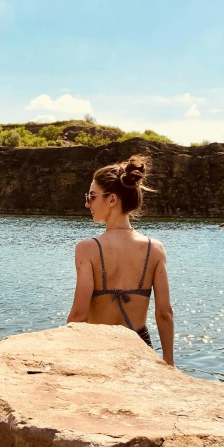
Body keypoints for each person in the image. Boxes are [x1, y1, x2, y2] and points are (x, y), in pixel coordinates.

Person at [67, 154, 174, 366]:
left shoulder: (87, 249)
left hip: (97, 349)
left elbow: (79, 314)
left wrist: (67, 356)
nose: (87, 204)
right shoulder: (155, 249)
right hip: (140, 348)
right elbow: (164, 313)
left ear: (112, 199)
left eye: (92, 196)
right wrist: (168, 361)